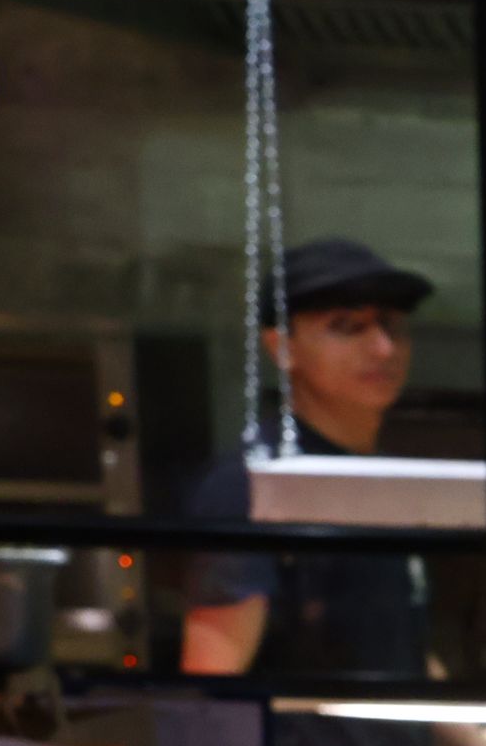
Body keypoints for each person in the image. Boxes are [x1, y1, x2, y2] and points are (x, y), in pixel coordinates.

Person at [180, 237, 437, 677]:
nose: (383, 349)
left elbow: (397, 654)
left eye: (392, 325)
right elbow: (212, 682)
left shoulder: (388, 480)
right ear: (283, 347)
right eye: (347, 325)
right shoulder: (255, 482)